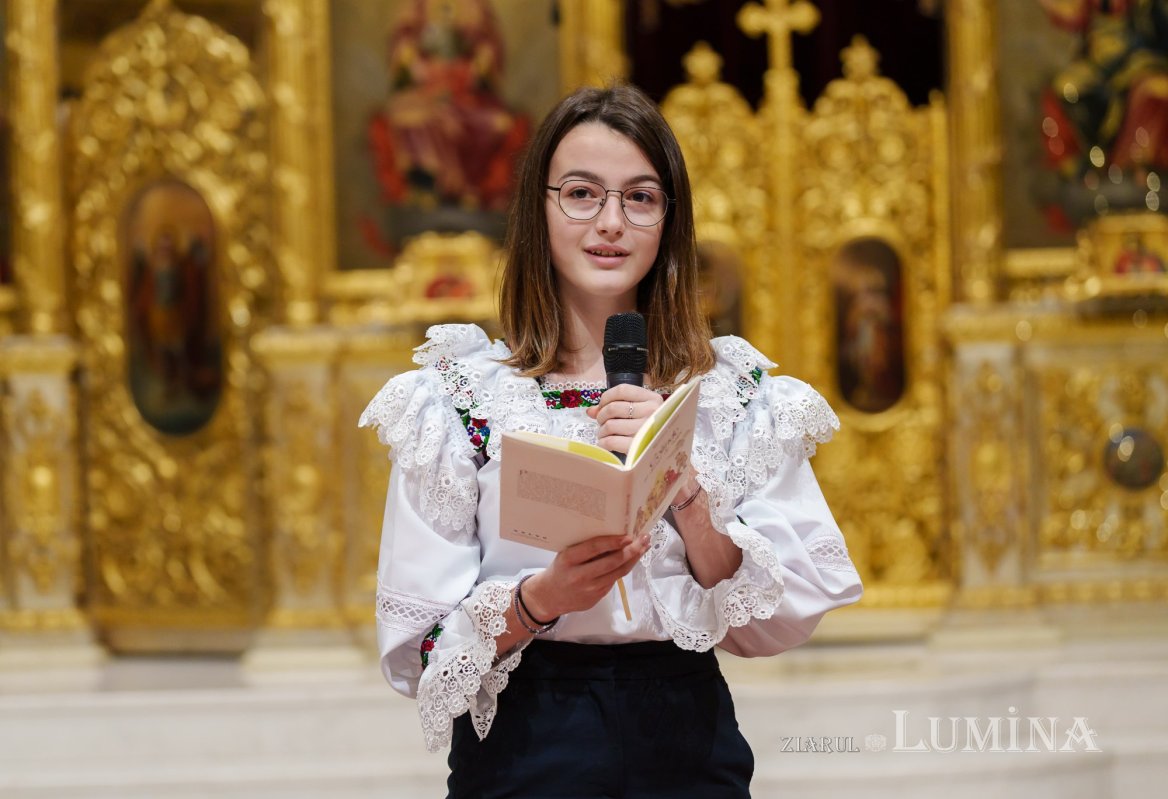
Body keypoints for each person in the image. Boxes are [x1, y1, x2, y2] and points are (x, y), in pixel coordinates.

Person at [359, 84, 862, 798]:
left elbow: (777, 620)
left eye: (640, 198)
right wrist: (543, 596)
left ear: (669, 219)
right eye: (582, 193)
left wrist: (687, 496)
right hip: (529, 741)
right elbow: (421, 654)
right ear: (540, 207)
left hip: (685, 735)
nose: (611, 223)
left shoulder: (729, 394)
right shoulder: (457, 401)